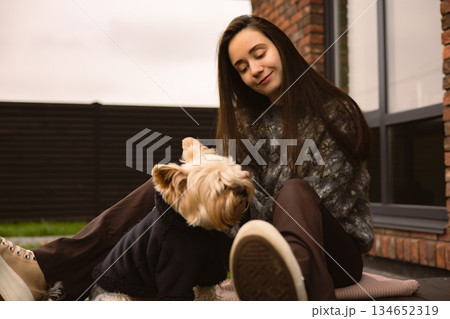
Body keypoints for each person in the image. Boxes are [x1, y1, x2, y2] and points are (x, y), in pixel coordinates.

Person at [0, 15, 373, 301]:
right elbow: (238, 203)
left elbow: (323, 207)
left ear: (282, 47)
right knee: (169, 189)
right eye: (242, 67)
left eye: (259, 54)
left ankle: (290, 285)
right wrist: (202, 188)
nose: (254, 70)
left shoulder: (334, 112)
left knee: (295, 190)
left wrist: (234, 196)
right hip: (258, 246)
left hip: (331, 253)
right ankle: (48, 271)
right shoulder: (251, 122)